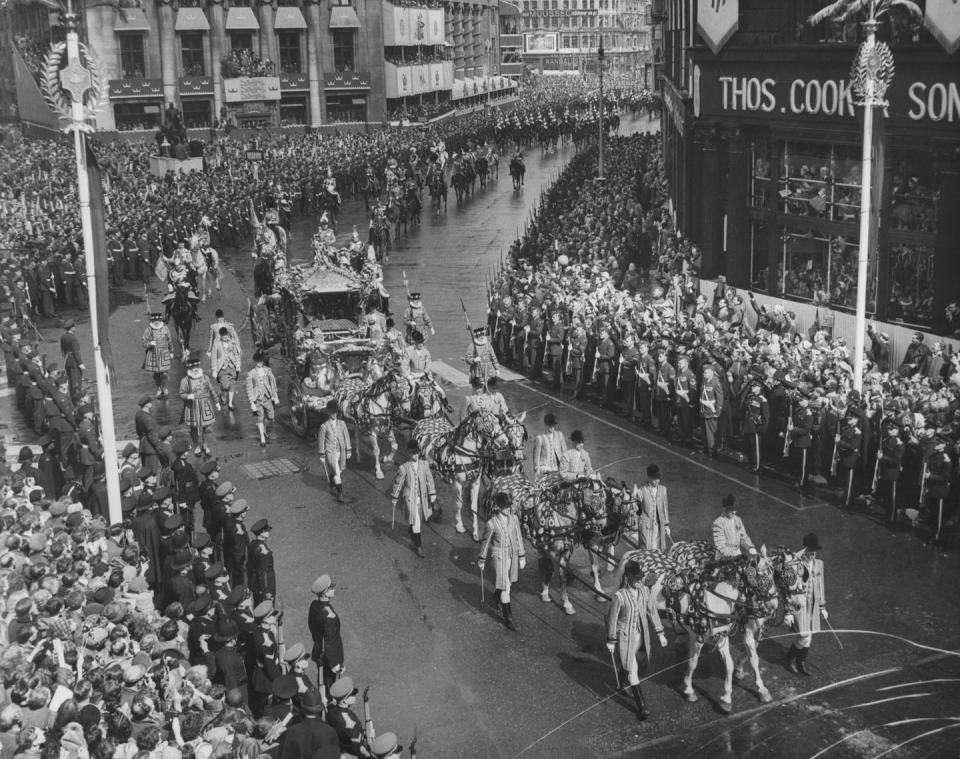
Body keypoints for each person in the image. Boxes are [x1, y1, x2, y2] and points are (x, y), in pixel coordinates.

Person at [606, 563, 668, 721]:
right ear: (628, 578)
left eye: (640, 578)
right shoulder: (619, 596)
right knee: (633, 669)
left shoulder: (645, 592)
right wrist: (612, 640)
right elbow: (612, 619)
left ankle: (620, 683)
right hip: (625, 637)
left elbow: (652, 611)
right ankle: (642, 706)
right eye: (636, 579)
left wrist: (660, 633)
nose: (639, 581)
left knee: (628, 662)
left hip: (640, 636)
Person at [478, 492, 526, 631]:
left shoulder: (515, 519)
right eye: (505, 506)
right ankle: (508, 619)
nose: (508, 509)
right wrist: (482, 558)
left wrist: (522, 555)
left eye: (509, 506)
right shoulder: (491, 524)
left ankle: (495, 597)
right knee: (506, 587)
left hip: (512, 556)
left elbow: (518, 537)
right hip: (498, 557)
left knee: (508, 583)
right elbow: (485, 542)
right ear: (498, 507)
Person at [784, 532, 827, 677]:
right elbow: (788, 590)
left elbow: (821, 585)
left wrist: (822, 606)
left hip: (813, 605)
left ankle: (800, 661)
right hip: (799, 606)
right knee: (804, 635)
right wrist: (788, 612)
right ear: (804, 550)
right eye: (810, 551)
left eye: (815, 552)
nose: (813, 555)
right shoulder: (796, 565)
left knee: (810, 635)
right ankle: (790, 659)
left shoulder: (819, 564)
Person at [390, 439, 437, 556]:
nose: (415, 455)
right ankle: (419, 547)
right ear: (409, 453)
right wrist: (395, 496)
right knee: (416, 522)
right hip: (410, 498)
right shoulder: (404, 467)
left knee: (417, 519)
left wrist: (432, 493)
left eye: (416, 453)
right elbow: (398, 483)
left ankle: (411, 529)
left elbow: (429, 480)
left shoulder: (424, 464)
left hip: (422, 498)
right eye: (412, 453)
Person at [308, 574, 344, 699]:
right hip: (328, 656)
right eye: (331, 588)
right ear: (325, 592)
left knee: (322, 681)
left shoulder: (314, 605)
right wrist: (335, 663)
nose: (333, 589)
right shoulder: (329, 616)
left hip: (319, 649)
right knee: (330, 689)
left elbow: (312, 627)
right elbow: (331, 640)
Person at [278, 689, 339, 759]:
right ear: (320, 709)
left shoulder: (291, 731)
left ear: (303, 709)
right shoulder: (330, 731)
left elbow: (285, 756)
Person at [179, 355, 220, 456]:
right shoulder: (185, 380)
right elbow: (181, 394)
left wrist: (217, 402)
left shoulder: (205, 377)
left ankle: (205, 445)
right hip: (192, 407)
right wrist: (189, 396)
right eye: (193, 368)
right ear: (189, 368)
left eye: (196, 367)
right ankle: (196, 446)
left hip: (205, 406)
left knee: (206, 427)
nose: (195, 369)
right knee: (193, 428)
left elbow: (211, 390)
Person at [325, 677, 371, 758]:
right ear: (344, 701)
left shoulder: (332, 711)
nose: (354, 696)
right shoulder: (348, 721)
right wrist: (368, 755)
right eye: (352, 695)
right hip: (353, 754)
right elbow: (357, 746)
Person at [318, 400, 352, 501]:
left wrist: (348, 450)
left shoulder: (342, 423)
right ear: (328, 413)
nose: (334, 414)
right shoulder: (324, 426)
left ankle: (332, 479)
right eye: (331, 412)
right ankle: (340, 495)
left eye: (335, 412)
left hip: (341, 451)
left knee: (340, 470)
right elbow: (321, 440)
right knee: (337, 473)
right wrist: (322, 454)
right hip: (330, 452)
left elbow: (347, 437)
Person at [246, 350, 280, 447]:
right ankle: (262, 437)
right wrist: (252, 402)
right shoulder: (251, 373)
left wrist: (275, 396)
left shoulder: (268, 371)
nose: (260, 363)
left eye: (261, 361)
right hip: (258, 399)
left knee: (271, 417)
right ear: (255, 362)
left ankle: (264, 428)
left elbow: (272, 384)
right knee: (260, 417)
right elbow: (249, 389)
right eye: (258, 362)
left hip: (268, 398)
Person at [711, 493, 756, 560]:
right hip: (724, 557)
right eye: (731, 510)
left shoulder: (738, 519)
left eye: (735, 509)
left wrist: (750, 547)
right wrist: (733, 555)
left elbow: (743, 537)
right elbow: (720, 545)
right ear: (724, 510)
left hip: (737, 553)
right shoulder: (718, 523)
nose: (734, 512)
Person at [636, 464, 670, 550]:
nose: (656, 481)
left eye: (657, 479)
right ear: (648, 478)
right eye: (653, 479)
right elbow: (636, 509)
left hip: (659, 527)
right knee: (646, 550)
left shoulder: (663, 489)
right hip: (646, 527)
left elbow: (665, 508)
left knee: (658, 549)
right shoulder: (641, 491)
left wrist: (666, 525)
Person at [142, 312, 173, 399]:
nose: (156, 322)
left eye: (158, 320)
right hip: (153, 353)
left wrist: (171, 351)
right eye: (154, 320)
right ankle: (159, 388)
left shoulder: (166, 328)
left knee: (164, 373)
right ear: (152, 320)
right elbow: (144, 342)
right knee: (156, 374)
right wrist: (150, 343)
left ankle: (165, 387)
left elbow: (169, 340)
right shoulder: (148, 330)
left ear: (160, 320)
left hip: (164, 353)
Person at [211, 326, 242, 410]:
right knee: (225, 386)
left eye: (227, 335)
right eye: (224, 336)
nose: (226, 337)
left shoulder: (233, 343)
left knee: (232, 385)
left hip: (232, 367)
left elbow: (237, 355)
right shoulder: (216, 344)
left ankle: (230, 403)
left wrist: (238, 366)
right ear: (220, 336)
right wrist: (214, 370)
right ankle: (222, 394)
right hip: (222, 368)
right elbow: (213, 357)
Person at [247, 518, 276, 605]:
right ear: (262, 533)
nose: (269, 532)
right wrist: (267, 590)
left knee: (257, 605)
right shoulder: (263, 551)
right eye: (267, 530)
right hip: (264, 585)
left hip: (255, 583)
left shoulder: (253, 544)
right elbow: (264, 572)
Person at [741, 381, 769, 473]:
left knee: (755, 448)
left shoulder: (763, 399)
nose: (752, 387)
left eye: (755, 386)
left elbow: (766, 416)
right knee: (748, 446)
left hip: (756, 427)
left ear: (759, 388)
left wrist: (762, 429)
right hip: (748, 425)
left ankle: (756, 466)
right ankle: (750, 463)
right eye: (752, 386)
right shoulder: (750, 396)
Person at [699, 364, 724, 457]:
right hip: (703, 410)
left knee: (711, 432)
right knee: (704, 432)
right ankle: (706, 447)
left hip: (711, 411)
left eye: (705, 372)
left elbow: (720, 398)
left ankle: (712, 450)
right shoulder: (705, 381)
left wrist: (717, 412)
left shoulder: (716, 382)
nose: (703, 373)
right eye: (703, 372)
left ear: (711, 372)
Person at [532, 412, 567, 477]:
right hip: (545, 469)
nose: (552, 427)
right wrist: (537, 469)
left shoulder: (560, 434)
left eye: (553, 425)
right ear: (546, 424)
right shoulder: (540, 438)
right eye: (550, 425)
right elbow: (536, 455)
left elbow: (565, 451)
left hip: (559, 468)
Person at [59, 319, 84, 402]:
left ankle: (73, 397)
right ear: (72, 328)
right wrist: (80, 363)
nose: (75, 328)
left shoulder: (63, 336)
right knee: (76, 381)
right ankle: (77, 399)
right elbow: (76, 351)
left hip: (67, 359)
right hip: (73, 361)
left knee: (71, 380)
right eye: (74, 326)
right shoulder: (73, 338)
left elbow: (63, 349)